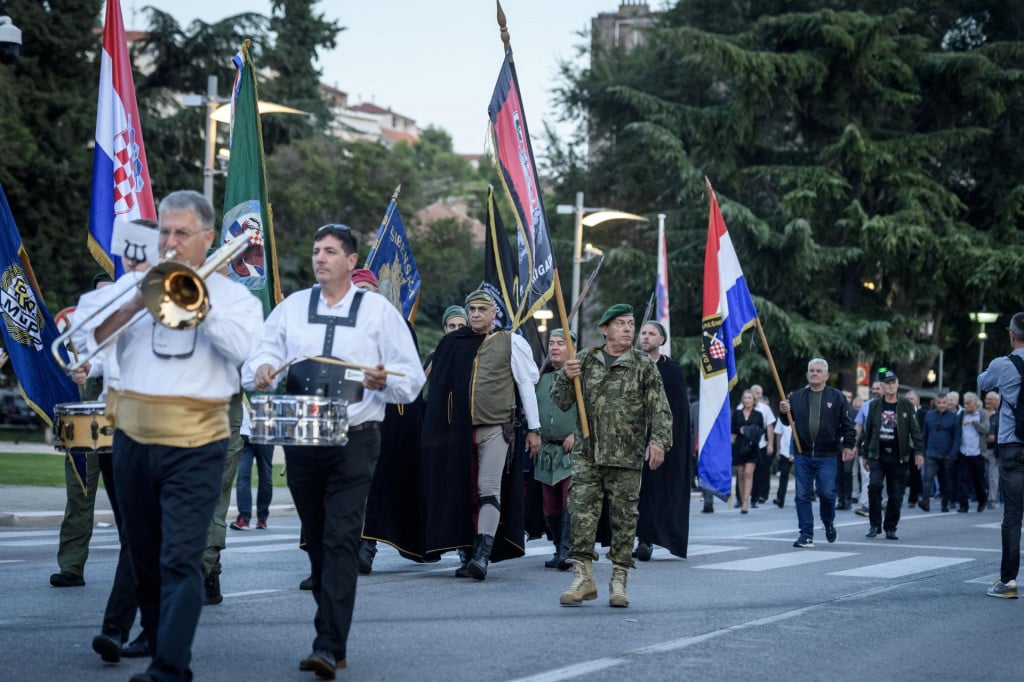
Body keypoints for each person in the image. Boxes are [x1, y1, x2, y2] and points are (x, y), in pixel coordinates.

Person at [76, 190, 264, 682]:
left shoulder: (234, 298)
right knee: (144, 558)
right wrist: (139, 298)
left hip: (198, 441)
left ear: (206, 238)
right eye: (164, 232)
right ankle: (162, 649)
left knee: (180, 558)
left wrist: (194, 301)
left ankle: (169, 666)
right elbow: (83, 344)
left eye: (182, 233)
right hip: (134, 438)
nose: (171, 242)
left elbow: (244, 348)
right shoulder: (133, 288)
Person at [244, 224, 425, 676]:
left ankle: (328, 644)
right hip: (303, 438)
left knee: (342, 537)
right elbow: (259, 355)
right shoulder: (291, 308)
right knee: (318, 539)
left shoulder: (378, 312)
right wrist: (263, 368)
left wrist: (386, 380)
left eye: (329, 251)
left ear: (351, 260)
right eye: (315, 250)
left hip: (355, 437)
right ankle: (329, 632)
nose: (320, 258)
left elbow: (412, 379)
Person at [553, 304, 672, 608]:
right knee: (581, 517)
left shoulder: (643, 364)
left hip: (626, 457)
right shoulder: (584, 360)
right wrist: (566, 376)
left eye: (631, 323)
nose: (628, 329)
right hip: (588, 455)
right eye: (621, 323)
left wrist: (658, 441)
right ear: (604, 329)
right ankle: (582, 578)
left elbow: (660, 408)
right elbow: (561, 402)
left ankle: (619, 580)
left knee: (624, 521)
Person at [420, 289, 540, 579]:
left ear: (494, 313)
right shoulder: (453, 344)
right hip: (458, 432)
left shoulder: (511, 342)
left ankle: (482, 556)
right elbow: (436, 390)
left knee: (489, 488)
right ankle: (466, 551)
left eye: (481, 309)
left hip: (497, 428)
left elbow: (528, 382)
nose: (475, 314)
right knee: (461, 490)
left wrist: (534, 428)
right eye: (471, 309)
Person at [353, 268, 429, 574]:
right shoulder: (336, 324)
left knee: (374, 484)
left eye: (367, 292)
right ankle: (326, 558)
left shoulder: (396, 326)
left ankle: (365, 546)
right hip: (345, 418)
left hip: (383, 418)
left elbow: (410, 377)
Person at [49, 272, 113, 590]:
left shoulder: (131, 328)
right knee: (79, 497)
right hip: (83, 427)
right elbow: (66, 362)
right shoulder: (78, 333)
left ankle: (145, 567)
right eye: (99, 294)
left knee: (134, 500)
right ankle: (71, 566)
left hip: (121, 423)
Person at [779, 358, 856, 548]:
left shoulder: (837, 397)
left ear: (826, 376)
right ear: (807, 375)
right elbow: (787, 421)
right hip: (802, 453)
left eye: (818, 371)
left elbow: (848, 425)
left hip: (827, 454)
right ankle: (806, 534)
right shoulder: (796, 397)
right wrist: (783, 411)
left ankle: (828, 522)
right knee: (802, 495)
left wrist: (849, 445)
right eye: (811, 371)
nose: (814, 373)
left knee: (827, 494)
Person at [634, 321, 691, 559]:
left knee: (657, 489)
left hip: (661, 441)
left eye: (651, 334)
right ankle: (637, 537)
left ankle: (648, 539)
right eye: (643, 333)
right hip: (633, 439)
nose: (646, 337)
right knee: (636, 491)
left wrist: (667, 442)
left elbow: (678, 412)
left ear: (661, 340)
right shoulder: (630, 365)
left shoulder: (671, 370)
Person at [978, 311, 1024, 598]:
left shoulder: (1003, 364)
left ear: (1011, 334)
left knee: (1013, 515)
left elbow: (983, 383)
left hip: (1012, 445)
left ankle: (1008, 581)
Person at [534, 328, 579, 569]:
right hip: (545, 451)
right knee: (549, 506)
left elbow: (592, 412)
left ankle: (566, 550)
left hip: (571, 451)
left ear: (572, 347)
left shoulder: (580, 379)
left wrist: (577, 433)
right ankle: (556, 547)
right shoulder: (541, 378)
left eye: (561, 343)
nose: (554, 347)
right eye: (552, 343)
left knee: (568, 502)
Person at [860, 370, 923, 540]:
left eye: (893, 382)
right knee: (874, 486)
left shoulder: (906, 405)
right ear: (881, 386)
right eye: (887, 383)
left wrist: (918, 452)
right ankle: (874, 525)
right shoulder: (874, 406)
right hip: (878, 454)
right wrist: (865, 454)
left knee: (896, 493)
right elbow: (868, 431)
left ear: (897, 383)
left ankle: (890, 526)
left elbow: (915, 430)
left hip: (899, 455)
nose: (891, 385)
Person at [230, 406, 274, 530]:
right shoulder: (243, 387)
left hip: (265, 434)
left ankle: (262, 518)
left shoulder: (269, 387)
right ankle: (244, 518)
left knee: (265, 478)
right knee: (243, 477)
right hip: (245, 435)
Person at [920, 394, 961, 512]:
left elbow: (957, 437)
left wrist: (953, 453)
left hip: (946, 454)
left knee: (945, 481)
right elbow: (924, 434)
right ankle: (925, 502)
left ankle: (945, 504)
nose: (942, 405)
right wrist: (922, 451)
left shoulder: (954, 417)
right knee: (927, 478)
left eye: (944, 402)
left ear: (947, 403)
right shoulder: (929, 415)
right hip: (931, 453)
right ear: (936, 403)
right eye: (939, 403)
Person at [731, 390, 764, 514]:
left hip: (752, 446)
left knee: (748, 473)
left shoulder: (758, 414)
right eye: (745, 398)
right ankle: (741, 498)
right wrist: (740, 430)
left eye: (749, 398)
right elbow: (732, 428)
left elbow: (761, 430)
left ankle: (746, 501)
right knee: (740, 474)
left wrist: (751, 431)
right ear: (742, 399)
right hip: (739, 445)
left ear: (753, 400)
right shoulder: (737, 413)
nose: (747, 400)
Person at [957, 392, 989, 513]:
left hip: (978, 453)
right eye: (964, 403)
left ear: (975, 403)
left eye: (968, 403)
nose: (965, 405)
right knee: (963, 480)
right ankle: (963, 505)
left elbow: (985, 429)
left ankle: (982, 501)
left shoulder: (982, 414)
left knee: (978, 480)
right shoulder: (962, 414)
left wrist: (973, 422)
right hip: (964, 452)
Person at [983, 391, 1001, 509]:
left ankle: (992, 499)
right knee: (983, 475)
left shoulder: (1000, 415)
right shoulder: (981, 414)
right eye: (987, 399)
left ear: (997, 401)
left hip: (995, 450)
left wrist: (996, 438)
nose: (988, 402)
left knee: (993, 476)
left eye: (991, 399)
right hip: (981, 449)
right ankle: (983, 497)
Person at [773, 414, 794, 508]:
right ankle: (780, 499)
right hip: (785, 450)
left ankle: (801, 498)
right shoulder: (782, 417)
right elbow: (778, 433)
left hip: (799, 450)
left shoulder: (801, 412)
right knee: (783, 475)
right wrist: (778, 450)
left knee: (802, 475)